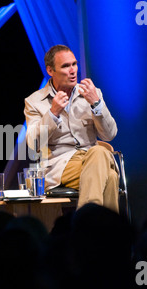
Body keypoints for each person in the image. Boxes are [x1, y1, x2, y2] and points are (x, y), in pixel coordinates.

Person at [24, 44, 119, 212]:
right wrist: (52, 113)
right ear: (50, 70)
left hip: (93, 158)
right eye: (66, 66)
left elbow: (109, 135)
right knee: (107, 171)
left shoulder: (91, 93)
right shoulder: (34, 102)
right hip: (59, 166)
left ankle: (87, 229)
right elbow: (33, 144)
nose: (73, 70)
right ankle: (106, 232)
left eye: (74, 64)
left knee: (104, 165)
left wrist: (96, 104)